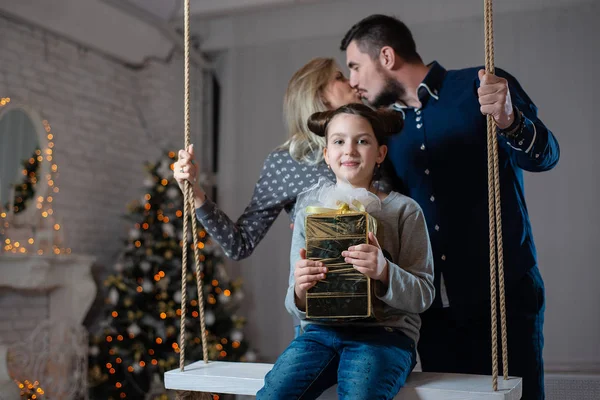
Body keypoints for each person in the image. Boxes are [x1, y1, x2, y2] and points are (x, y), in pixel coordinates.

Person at [340, 14, 560, 400]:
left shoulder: (481, 85)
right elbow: (381, 203)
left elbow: (545, 157)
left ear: (386, 57)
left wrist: (510, 120)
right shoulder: (385, 130)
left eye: (356, 66)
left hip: (505, 293)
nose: (353, 81)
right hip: (434, 308)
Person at [256, 103, 434, 400]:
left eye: (362, 141)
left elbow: (424, 294)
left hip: (384, 335)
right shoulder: (308, 213)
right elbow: (293, 301)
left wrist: (384, 271)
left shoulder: (404, 211)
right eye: (338, 141)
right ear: (326, 153)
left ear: (380, 154)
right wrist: (300, 289)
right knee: (274, 394)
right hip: (318, 334)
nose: (349, 150)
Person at [174, 57, 378, 261]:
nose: (351, 82)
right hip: (323, 285)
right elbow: (240, 244)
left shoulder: (377, 141)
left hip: (390, 284)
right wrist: (196, 194)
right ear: (320, 96)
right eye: (339, 77)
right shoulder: (286, 163)